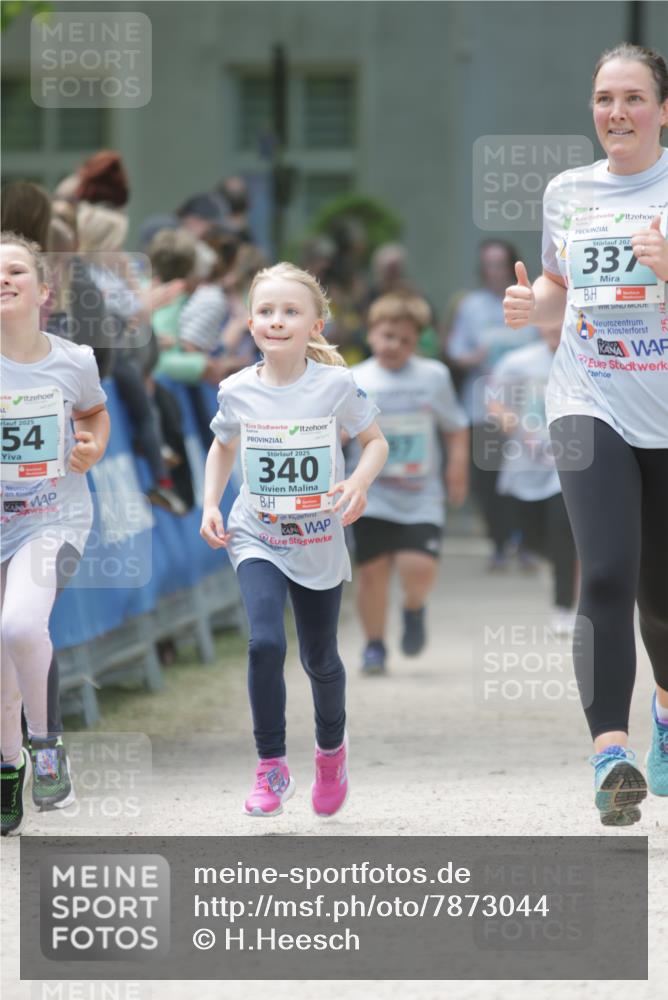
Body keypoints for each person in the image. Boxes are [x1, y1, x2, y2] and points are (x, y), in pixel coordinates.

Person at [503, 44, 668, 825]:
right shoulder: (568, 191)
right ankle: (610, 754)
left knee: (662, 598)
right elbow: (556, 287)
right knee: (603, 571)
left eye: (634, 98)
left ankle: (664, 711)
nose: (618, 113)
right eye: (605, 98)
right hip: (586, 396)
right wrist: (527, 305)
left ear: (663, 110)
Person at [200, 262, 388, 818]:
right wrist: (212, 504)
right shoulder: (235, 389)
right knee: (264, 643)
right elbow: (222, 447)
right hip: (255, 533)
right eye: (265, 311)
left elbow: (375, 442)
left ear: (316, 325)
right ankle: (270, 766)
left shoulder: (334, 384)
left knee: (320, 658)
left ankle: (331, 755)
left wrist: (356, 481)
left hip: (317, 539)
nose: (276, 321)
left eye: (290, 311)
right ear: (250, 323)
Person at [0, 232, 110, 836]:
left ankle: (45, 746)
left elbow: (93, 411)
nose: (3, 279)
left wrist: (93, 445)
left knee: (19, 623)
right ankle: (6, 770)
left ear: (43, 291)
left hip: (52, 518)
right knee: (1, 659)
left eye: (16, 270)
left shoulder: (73, 359)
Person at [347, 293, 469, 674]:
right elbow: (336, 432)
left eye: (404, 339)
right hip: (371, 493)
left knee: (418, 568)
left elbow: (455, 427)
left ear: (417, 342)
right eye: (386, 336)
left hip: (421, 494)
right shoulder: (354, 379)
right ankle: (374, 645)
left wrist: (457, 469)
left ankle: (414, 607)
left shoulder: (433, 376)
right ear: (371, 335)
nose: (394, 346)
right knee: (371, 571)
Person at [448, 240, 539, 570]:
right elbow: (456, 351)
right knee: (487, 480)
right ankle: (499, 543)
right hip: (482, 407)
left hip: (527, 409)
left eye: (500, 263)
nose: (494, 271)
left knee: (525, 475)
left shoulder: (532, 300)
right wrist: (474, 356)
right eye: (488, 263)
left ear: (512, 264)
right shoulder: (470, 306)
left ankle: (527, 542)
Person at [487, 319, 578, 635]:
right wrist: (510, 421)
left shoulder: (585, 356)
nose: (554, 329)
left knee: (564, 535)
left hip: (570, 463)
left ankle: (564, 606)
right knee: (534, 539)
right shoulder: (517, 362)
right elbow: (494, 402)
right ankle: (560, 564)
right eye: (549, 322)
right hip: (525, 461)